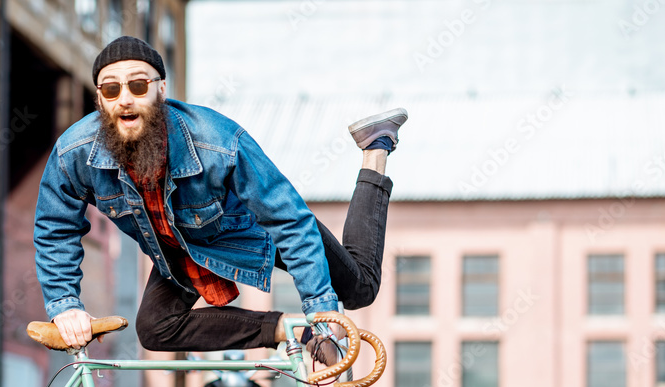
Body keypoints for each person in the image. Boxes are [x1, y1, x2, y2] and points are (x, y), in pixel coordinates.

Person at [34, 36, 406, 360]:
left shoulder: (218, 141)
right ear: (99, 99)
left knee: (359, 290)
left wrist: (323, 312)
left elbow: (289, 222)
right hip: (180, 248)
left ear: (161, 90)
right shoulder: (75, 153)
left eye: (138, 85)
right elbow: (55, 227)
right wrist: (65, 305)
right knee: (154, 329)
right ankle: (283, 329)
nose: (125, 100)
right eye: (111, 90)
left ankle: (375, 149)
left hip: (251, 232)